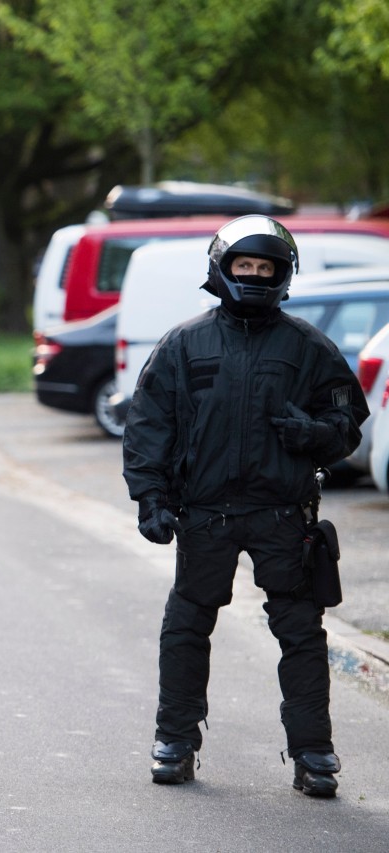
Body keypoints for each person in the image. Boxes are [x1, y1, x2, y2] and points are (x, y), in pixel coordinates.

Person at [123, 214, 368, 797]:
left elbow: (347, 422)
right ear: (222, 269)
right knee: (186, 626)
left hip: (283, 514)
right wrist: (150, 498)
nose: (255, 275)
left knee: (301, 633)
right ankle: (174, 742)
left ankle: (314, 754)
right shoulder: (185, 343)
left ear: (283, 274)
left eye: (266, 267)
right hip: (205, 512)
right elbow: (149, 425)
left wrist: (315, 435)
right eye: (245, 265)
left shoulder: (309, 346)